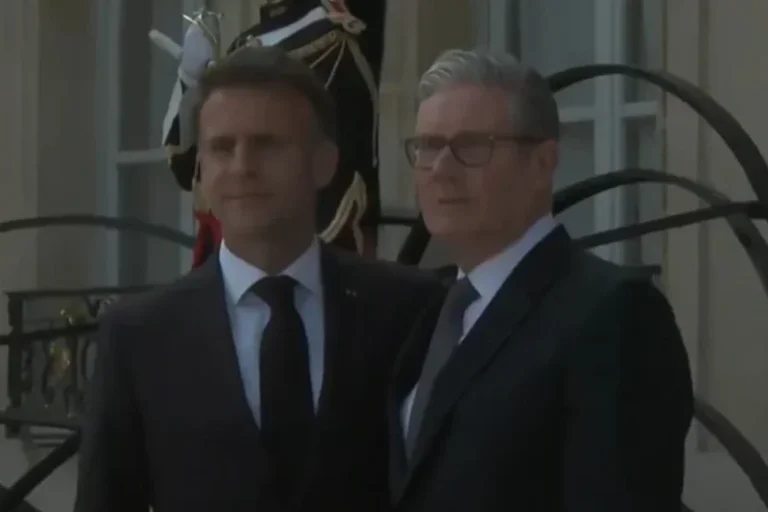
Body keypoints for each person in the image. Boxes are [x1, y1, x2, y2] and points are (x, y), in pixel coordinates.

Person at [74, 46, 442, 512]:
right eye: (222, 148)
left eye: (267, 145)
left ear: (324, 163)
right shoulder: (138, 335)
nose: (242, 167)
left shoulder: (407, 309)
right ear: (202, 169)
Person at [388, 48, 694, 512]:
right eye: (428, 146)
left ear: (542, 163)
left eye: (472, 146)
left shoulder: (613, 314)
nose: (441, 170)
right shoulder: (425, 311)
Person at [154, 0, 387, 268]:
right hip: (226, 258)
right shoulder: (244, 44)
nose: (240, 166)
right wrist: (190, 78)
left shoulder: (331, 43)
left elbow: (341, 178)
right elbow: (187, 168)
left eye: (265, 145)